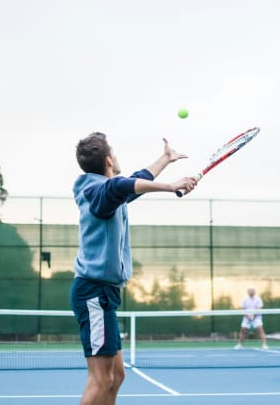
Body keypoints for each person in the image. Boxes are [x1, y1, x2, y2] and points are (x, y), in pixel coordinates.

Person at [70, 132, 197, 405]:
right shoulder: (97, 192)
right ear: (108, 160)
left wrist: (165, 160)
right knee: (101, 379)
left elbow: (132, 182)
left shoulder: (106, 193)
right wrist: (170, 186)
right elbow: (121, 186)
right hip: (94, 292)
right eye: (114, 152)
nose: (117, 157)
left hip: (105, 294)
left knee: (116, 375)